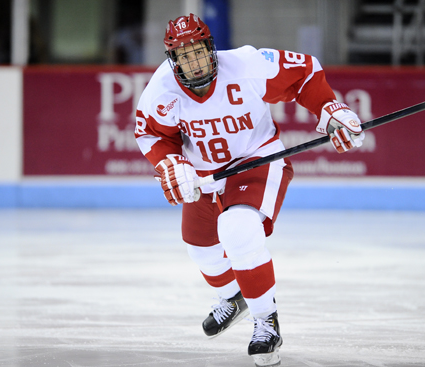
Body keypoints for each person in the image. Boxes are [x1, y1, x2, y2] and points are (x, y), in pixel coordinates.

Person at [134, 14, 364, 367]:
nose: (193, 63)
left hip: (257, 161)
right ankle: (234, 297)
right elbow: (152, 133)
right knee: (200, 247)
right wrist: (170, 164)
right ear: (173, 60)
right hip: (206, 176)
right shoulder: (161, 91)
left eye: (198, 52)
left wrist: (331, 110)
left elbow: (304, 71)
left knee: (237, 228)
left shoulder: (246, 64)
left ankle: (265, 322)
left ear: (211, 48)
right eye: (184, 56)